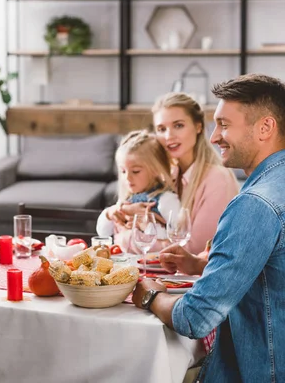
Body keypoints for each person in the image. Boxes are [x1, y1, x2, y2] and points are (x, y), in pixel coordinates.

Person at [133, 73, 285, 381]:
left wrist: (149, 295)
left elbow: (196, 317)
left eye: (225, 125)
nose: (214, 137)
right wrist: (204, 264)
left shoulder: (254, 204)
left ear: (265, 127)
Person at [116, 93, 239, 255]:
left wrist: (125, 238)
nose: (169, 136)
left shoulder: (218, 180)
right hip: (167, 273)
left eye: (178, 125)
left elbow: (195, 250)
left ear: (198, 126)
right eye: (161, 129)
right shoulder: (169, 175)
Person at [97, 130, 181, 252]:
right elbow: (103, 233)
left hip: (154, 265)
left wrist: (147, 225)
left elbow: (175, 239)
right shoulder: (126, 201)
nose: (127, 178)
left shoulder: (166, 200)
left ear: (155, 170)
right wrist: (110, 214)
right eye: (123, 171)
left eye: (135, 171)